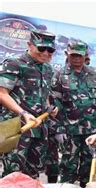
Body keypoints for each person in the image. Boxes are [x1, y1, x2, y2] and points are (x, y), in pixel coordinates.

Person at [0, 30, 58, 178]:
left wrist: (50, 107)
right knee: (12, 172)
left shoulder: (48, 69)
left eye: (50, 50)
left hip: (38, 127)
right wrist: (24, 113)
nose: (46, 53)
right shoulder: (14, 64)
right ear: (30, 45)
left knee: (32, 172)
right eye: (41, 48)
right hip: (16, 127)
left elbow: (44, 94)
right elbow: (2, 93)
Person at [52, 40, 96, 188]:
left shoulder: (94, 74)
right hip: (70, 129)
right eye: (73, 55)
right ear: (67, 54)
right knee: (68, 162)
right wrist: (59, 129)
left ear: (86, 56)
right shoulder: (60, 75)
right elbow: (54, 103)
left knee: (89, 161)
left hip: (92, 128)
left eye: (80, 55)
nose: (76, 58)